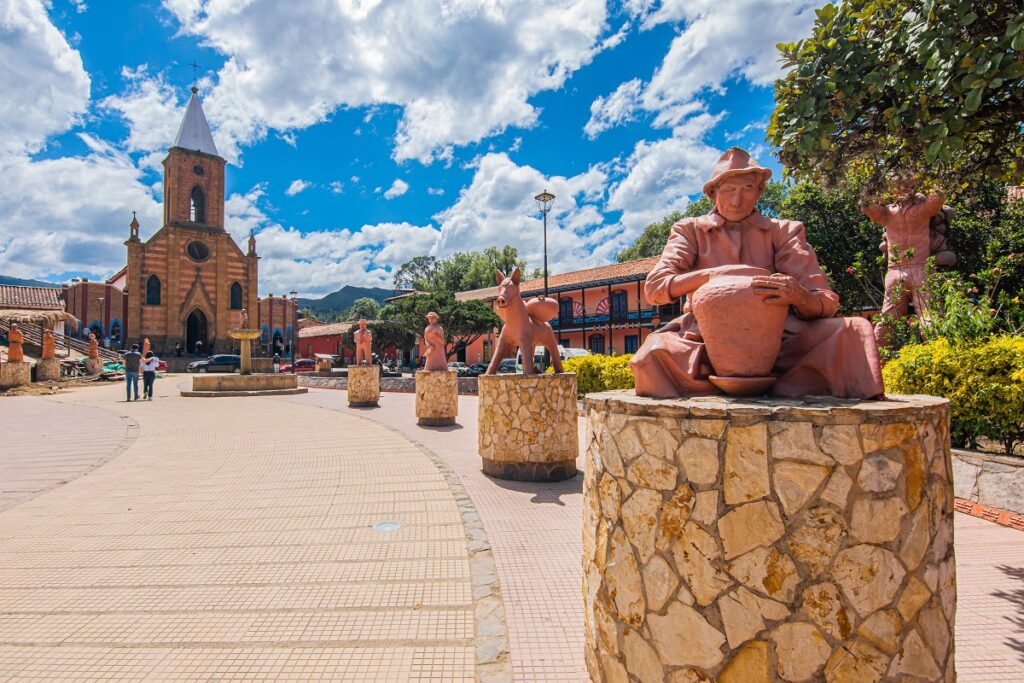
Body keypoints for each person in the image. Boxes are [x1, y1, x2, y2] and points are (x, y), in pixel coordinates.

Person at [630, 147, 883, 399]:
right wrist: (712, 276)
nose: (737, 200)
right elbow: (655, 287)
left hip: (779, 340)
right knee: (651, 355)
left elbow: (824, 301)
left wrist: (798, 296)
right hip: (702, 338)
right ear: (713, 194)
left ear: (759, 191)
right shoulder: (689, 231)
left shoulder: (784, 232)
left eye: (747, 189)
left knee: (854, 331)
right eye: (729, 190)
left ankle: (784, 385)